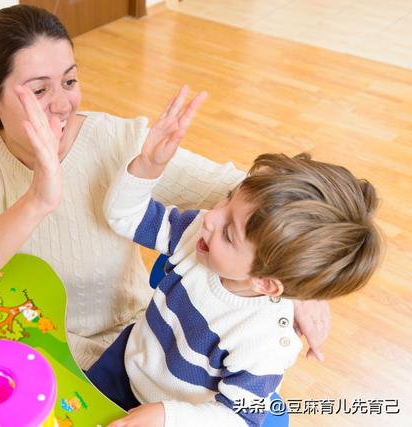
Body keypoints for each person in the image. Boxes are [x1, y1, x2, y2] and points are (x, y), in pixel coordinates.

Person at [0, 4, 330, 371]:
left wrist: (298, 284)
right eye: (38, 90)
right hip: (27, 350)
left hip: (132, 349)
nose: (62, 104)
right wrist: (37, 200)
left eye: (69, 81)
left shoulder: (119, 140)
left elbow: (251, 192)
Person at [86, 97, 382, 427]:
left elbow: (237, 417)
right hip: (126, 367)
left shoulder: (264, 342)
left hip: (183, 415)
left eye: (229, 233)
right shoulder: (196, 234)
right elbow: (125, 216)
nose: (211, 217)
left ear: (265, 283)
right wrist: (148, 165)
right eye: (228, 199)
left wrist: (166, 416)